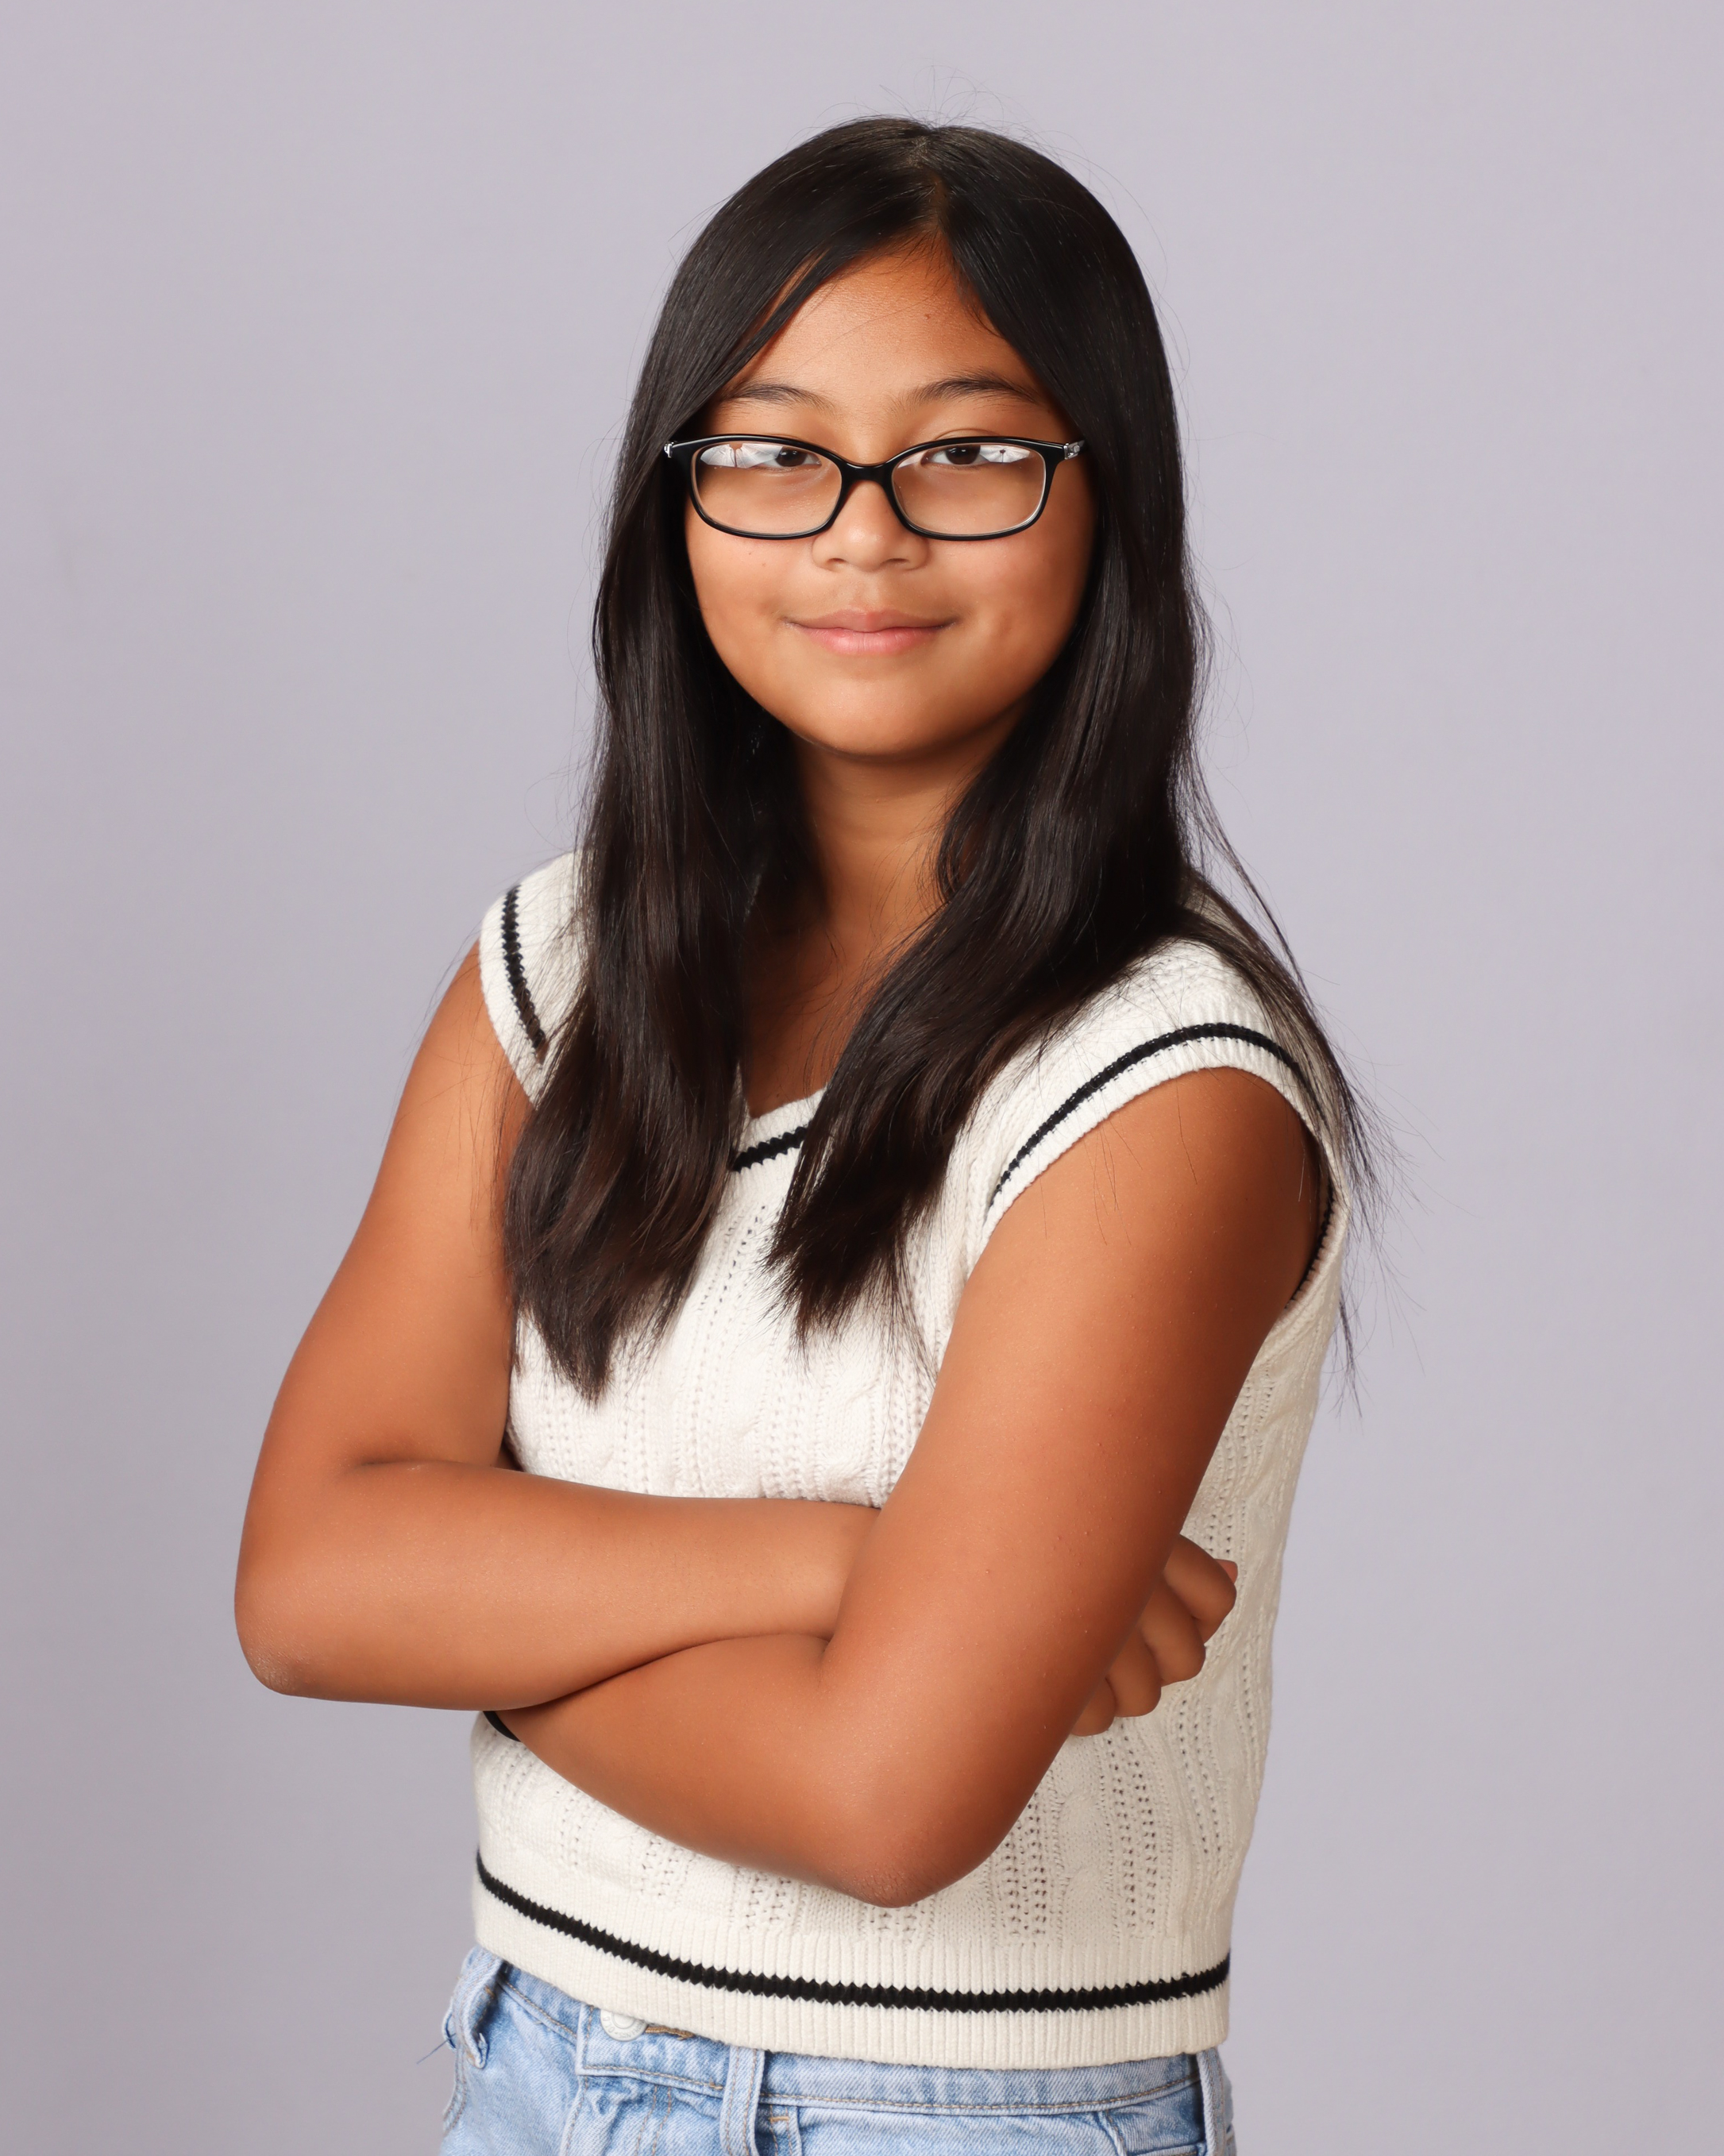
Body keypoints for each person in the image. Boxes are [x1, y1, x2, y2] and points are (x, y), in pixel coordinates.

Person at [237, 118, 1368, 2156]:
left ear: (1107, 495)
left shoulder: (1161, 1081)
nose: (862, 532)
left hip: (954, 2113)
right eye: (772, 452)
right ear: (673, 500)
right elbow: (309, 1580)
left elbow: (883, 1796)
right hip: (534, 2057)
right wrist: (840, 1562)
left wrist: (477, 1618)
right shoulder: (560, 964)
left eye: (968, 451)